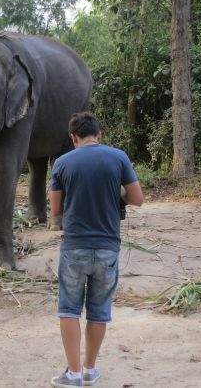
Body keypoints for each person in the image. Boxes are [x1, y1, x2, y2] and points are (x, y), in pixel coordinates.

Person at [49, 112, 144, 387]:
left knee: (69, 309)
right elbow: (137, 199)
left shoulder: (62, 163)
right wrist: (119, 194)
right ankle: (90, 369)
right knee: (99, 311)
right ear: (99, 135)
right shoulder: (119, 158)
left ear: (73, 137)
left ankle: (74, 373)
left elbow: (55, 210)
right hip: (108, 248)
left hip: (75, 247)